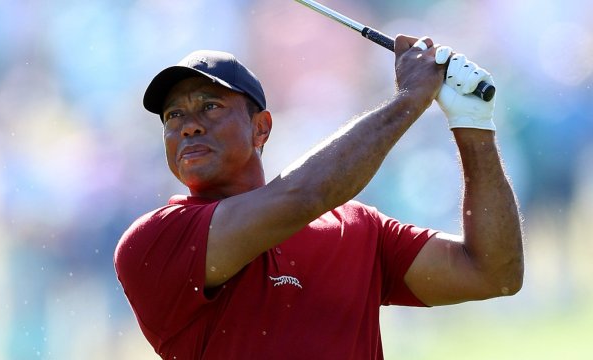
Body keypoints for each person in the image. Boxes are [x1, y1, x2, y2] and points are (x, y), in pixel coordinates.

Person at [114, 35, 524, 359]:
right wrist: (410, 100)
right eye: (173, 116)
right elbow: (304, 196)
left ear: (262, 128)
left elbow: (493, 272)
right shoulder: (154, 241)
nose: (189, 126)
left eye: (210, 106)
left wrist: (472, 124)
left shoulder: (357, 227)